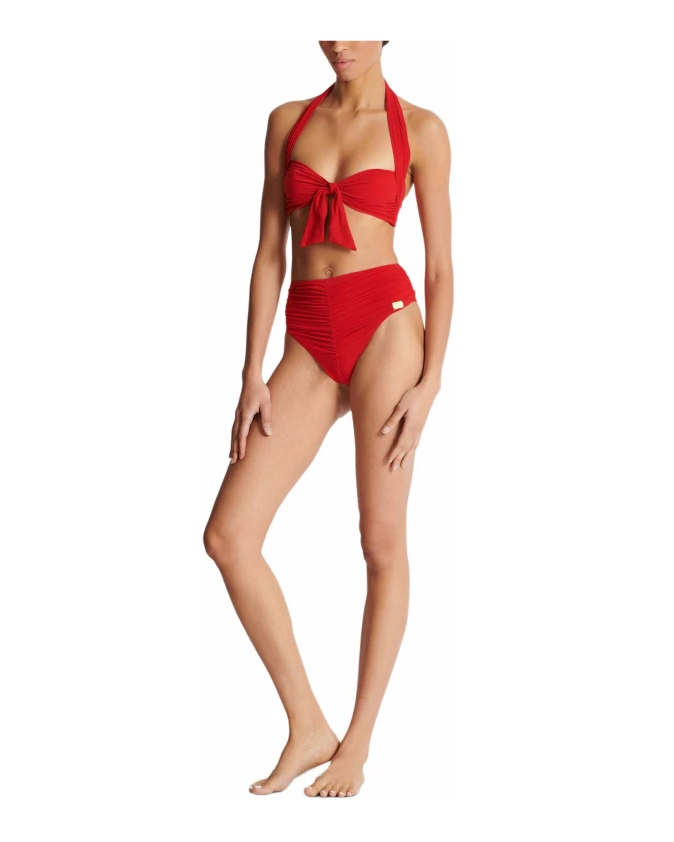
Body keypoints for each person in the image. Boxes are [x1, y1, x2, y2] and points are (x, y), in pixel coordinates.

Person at [203, 40, 453, 798]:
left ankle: (358, 744)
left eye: (355, 25)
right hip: (307, 335)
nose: (339, 42)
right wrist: (251, 371)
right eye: (326, 26)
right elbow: (268, 254)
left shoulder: (421, 129)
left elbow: (441, 267)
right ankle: (308, 725)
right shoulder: (288, 120)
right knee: (228, 537)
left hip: (386, 326)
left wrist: (431, 382)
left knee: (380, 542)